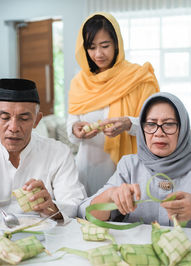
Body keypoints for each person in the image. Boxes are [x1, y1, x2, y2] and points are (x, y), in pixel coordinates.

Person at [79, 92, 191, 238]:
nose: (159, 133)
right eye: (151, 124)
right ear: (142, 128)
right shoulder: (130, 165)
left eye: (169, 124)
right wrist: (110, 196)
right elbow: (85, 213)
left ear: (183, 128)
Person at [0, 79, 86, 222]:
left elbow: (74, 203)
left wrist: (53, 208)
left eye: (23, 118)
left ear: (37, 120)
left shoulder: (58, 153)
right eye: (5, 117)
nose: (13, 127)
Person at [67, 12, 159, 196]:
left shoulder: (138, 78)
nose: (98, 54)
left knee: (126, 219)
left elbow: (155, 125)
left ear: (117, 44)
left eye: (105, 45)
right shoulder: (80, 83)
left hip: (127, 171)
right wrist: (75, 130)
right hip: (87, 168)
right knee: (88, 219)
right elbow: (72, 127)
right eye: (91, 47)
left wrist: (128, 124)